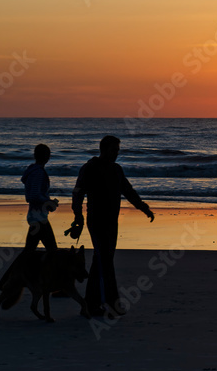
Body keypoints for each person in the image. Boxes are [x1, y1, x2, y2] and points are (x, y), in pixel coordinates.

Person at [68, 135, 154, 318]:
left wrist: (143, 207)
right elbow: (77, 193)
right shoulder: (89, 168)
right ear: (104, 149)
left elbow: (128, 191)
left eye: (118, 150)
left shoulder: (116, 170)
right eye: (114, 150)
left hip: (111, 223)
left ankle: (91, 305)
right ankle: (112, 304)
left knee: (100, 261)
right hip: (96, 222)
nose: (116, 154)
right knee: (105, 261)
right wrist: (77, 217)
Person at [21, 144, 59, 254]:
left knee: (30, 250)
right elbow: (34, 196)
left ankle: (24, 270)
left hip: (35, 216)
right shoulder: (38, 173)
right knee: (52, 250)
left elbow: (33, 195)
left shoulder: (33, 171)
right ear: (47, 156)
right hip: (39, 218)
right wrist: (48, 202)